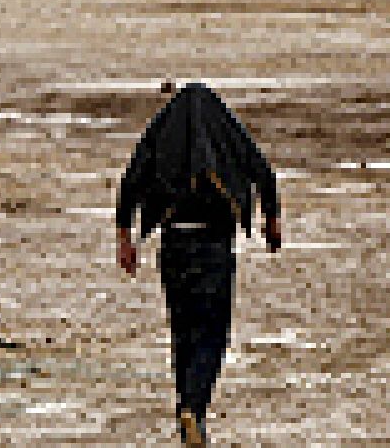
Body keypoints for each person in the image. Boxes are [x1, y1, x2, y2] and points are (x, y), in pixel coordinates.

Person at [117, 82, 282, 447]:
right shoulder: (227, 130)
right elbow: (262, 170)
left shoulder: (162, 132)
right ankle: (194, 408)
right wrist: (272, 221)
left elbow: (132, 178)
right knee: (213, 332)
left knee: (183, 332)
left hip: (174, 243)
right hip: (214, 246)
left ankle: (186, 413)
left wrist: (125, 238)